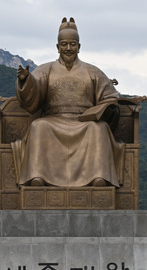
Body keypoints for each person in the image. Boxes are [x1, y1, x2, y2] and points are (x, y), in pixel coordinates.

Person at [12, 16, 124, 188]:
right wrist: (25, 81)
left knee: (99, 128)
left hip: (84, 121)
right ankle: (37, 177)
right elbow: (31, 96)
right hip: (53, 119)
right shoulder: (45, 70)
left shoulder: (93, 71)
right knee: (38, 126)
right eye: (64, 44)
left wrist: (109, 106)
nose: (68, 48)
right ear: (57, 47)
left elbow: (110, 96)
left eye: (72, 44)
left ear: (79, 47)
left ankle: (99, 177)